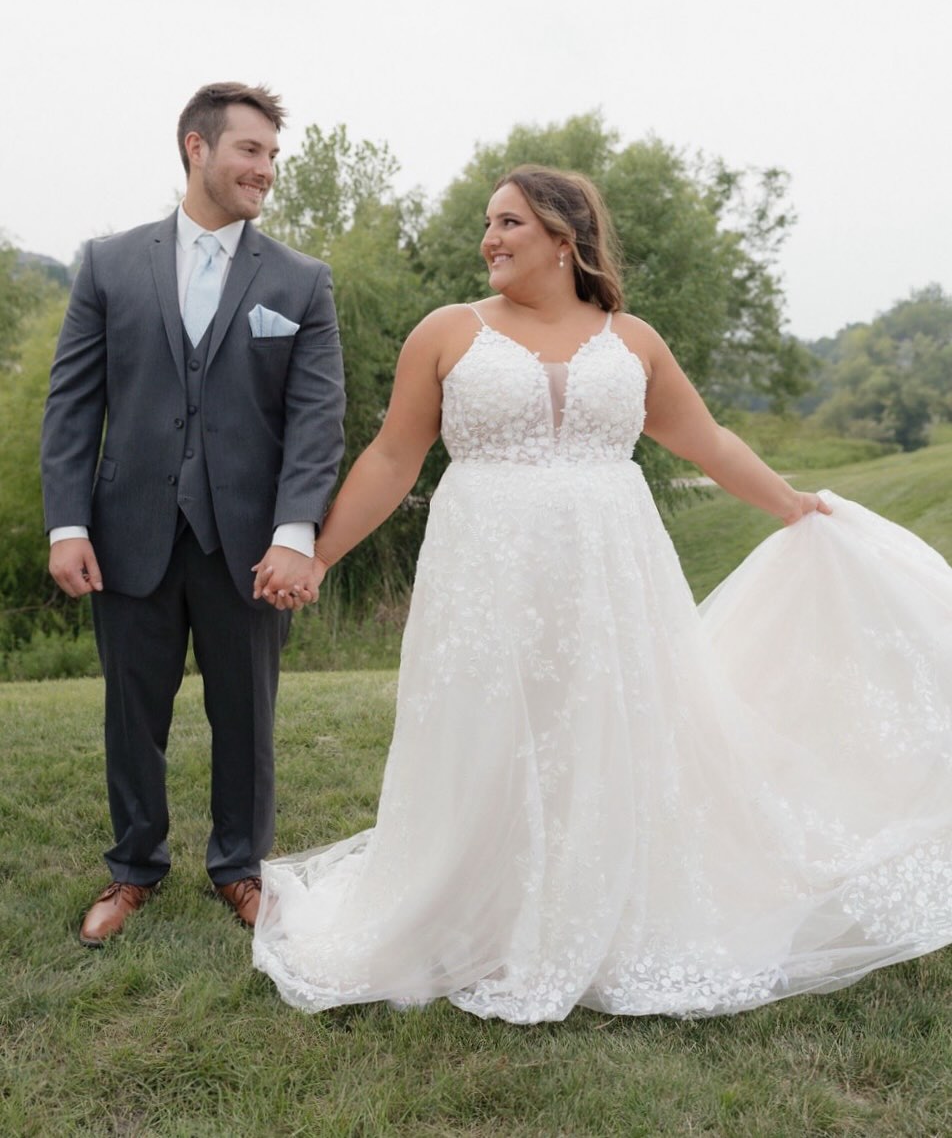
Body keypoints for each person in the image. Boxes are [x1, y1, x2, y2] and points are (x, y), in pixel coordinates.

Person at [252, 165, 952, 1023]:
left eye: (509, 222)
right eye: (488, 224)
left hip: (609, 574)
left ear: (564, 237)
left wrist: (791, 503)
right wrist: (319, 554)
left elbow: (705, 439)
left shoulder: (634, 340)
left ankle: (604, 901)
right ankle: (481, 905)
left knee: (602, 726)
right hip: (485, 571)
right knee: (486, 728)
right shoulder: (447, 332)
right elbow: (393, 458)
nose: (490, 239)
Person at [41, 82, 346, 945]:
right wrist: (67, 523)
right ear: (197, 148)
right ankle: (134, 867)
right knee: (131, 713)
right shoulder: (107, 263)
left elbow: (317, 419)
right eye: (251, 150)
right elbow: (73, 404)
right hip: (126, 532)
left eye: (273, 155)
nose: (266, 169)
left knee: (245, 715)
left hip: (248, 542)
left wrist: (295, 531)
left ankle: (239, 866)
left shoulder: (301, 280)